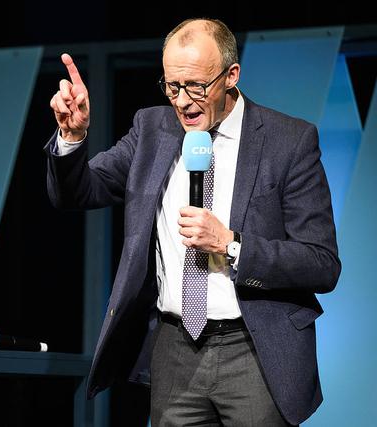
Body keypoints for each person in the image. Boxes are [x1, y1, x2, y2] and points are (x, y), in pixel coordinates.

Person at [45, 18, 340, 426]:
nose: (183, 101)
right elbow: (78, 192)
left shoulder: (288, 141)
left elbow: (321, 264)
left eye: (196, 86)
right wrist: (72, 137)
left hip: (254, 350)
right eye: (172, 86)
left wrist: (231, 244)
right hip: (175, 348)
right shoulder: (152, 129)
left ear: (231, 76)